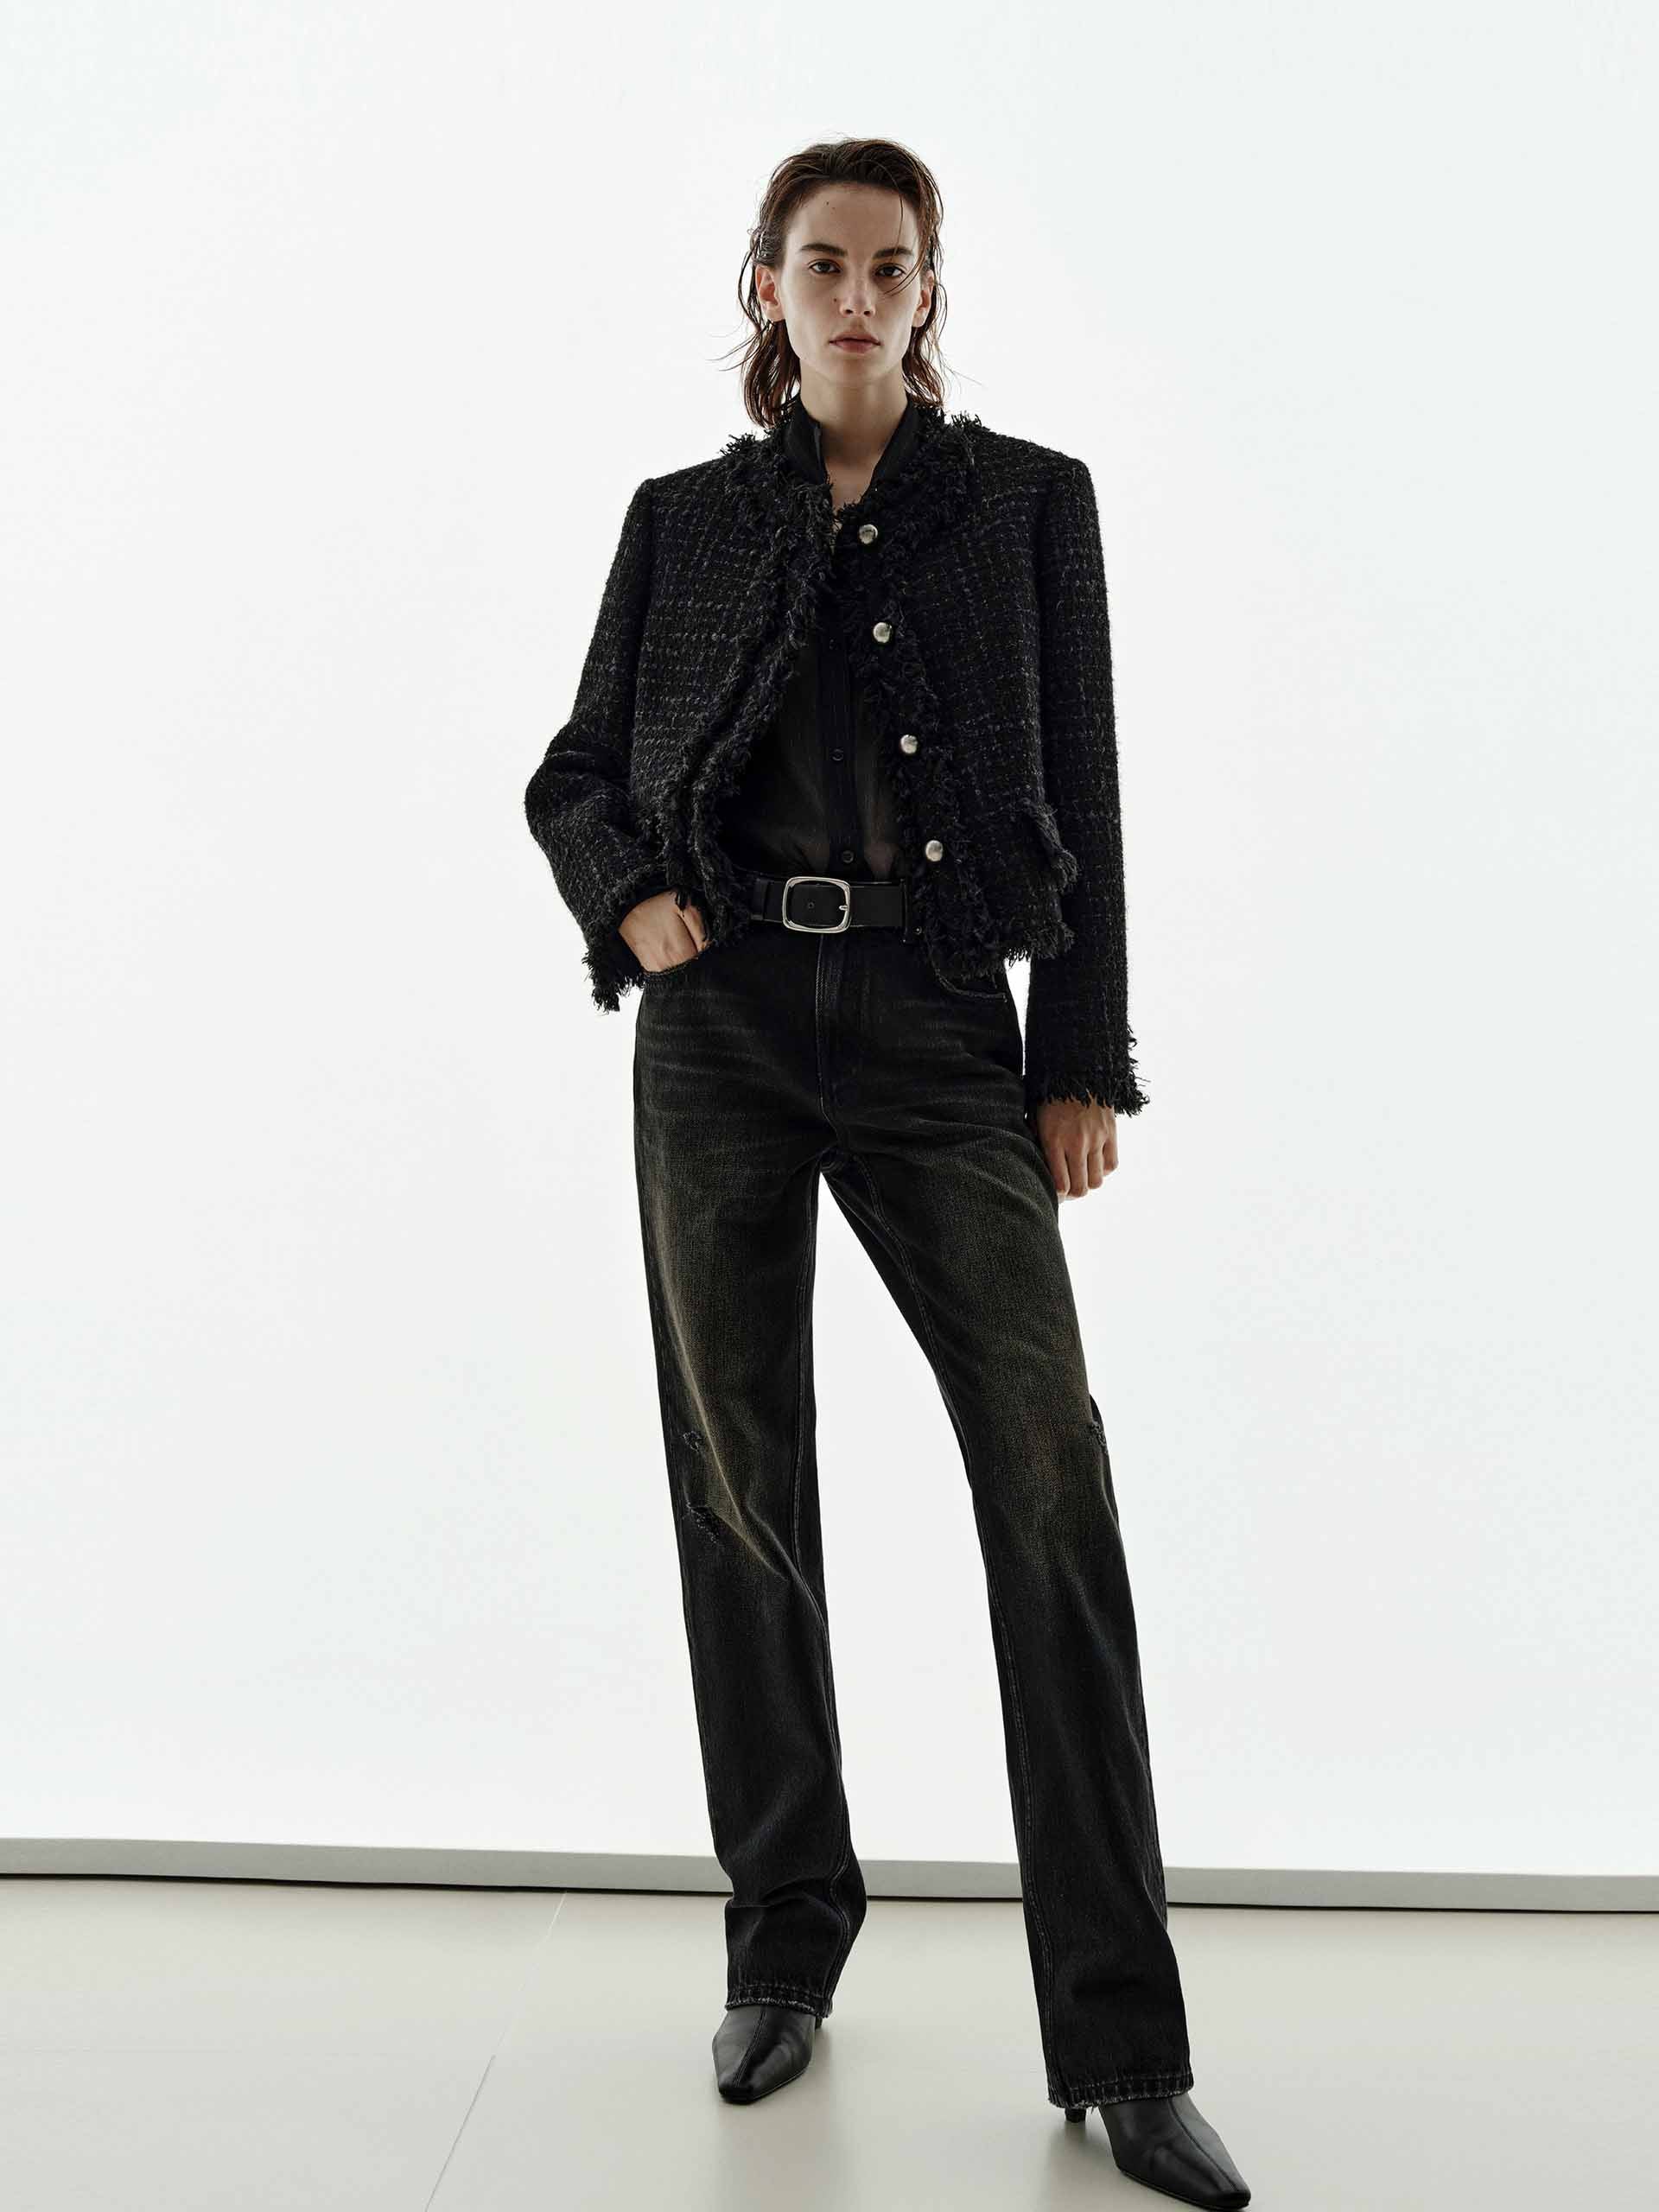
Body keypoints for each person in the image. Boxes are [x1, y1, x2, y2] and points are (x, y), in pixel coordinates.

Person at [524, 137, 1251, 2211]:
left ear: (932, 292)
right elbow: (576, 771)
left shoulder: (1025, 505)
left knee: (1049, 1476)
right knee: (741, 1481)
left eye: (891, 265)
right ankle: (783, 1939)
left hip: (940, 1028)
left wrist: (1078, 1054)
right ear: (766, 285)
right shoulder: (683, 520)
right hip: (726, 1031)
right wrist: (635, 896)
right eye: (822, 262)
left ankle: (1124, 2046)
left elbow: (1087, 786)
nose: (857, 294)